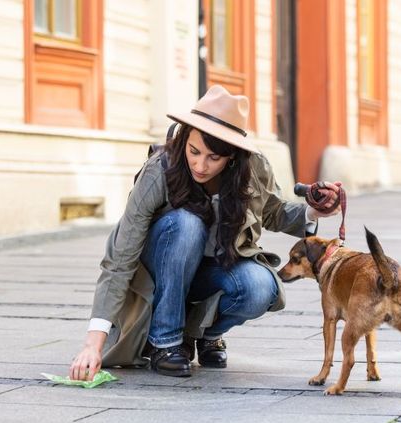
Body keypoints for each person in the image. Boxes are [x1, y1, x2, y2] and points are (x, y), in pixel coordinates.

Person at [69, 85, 341, 379]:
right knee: (186, 223)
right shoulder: (160, 170)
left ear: (232, 157)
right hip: (159, 271)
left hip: (212, 269)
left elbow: (273, 212)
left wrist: (316, 211)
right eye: (194, 151)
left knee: (260, 287)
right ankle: (166, 342)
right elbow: (119, 258)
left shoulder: (253, 168)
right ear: (185, 138)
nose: (200, 165)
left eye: (214, 158)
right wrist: (92, 344)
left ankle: (202, 334)